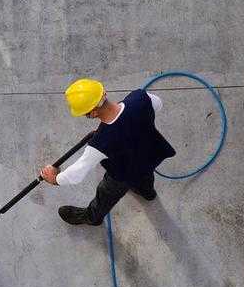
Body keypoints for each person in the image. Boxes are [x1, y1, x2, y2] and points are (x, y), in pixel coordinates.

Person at [40, 78, 176, 225]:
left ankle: (92, 217)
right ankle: (148, 193)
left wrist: (54, 179)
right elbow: (158, 104)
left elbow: (76, 174)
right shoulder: (140, 98)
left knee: (106, 194)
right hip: (149, 155)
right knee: (145, 175)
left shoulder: (100, 144)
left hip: (123, 174)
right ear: (104, 93)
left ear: (92, 113)